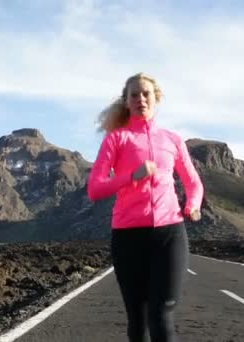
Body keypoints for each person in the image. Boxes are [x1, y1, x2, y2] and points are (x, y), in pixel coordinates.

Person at [87, 72, 204, 342]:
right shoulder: (116, 139)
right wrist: (132, 176)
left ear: (156, 98)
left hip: (169, 233)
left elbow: (193, 183)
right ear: (126, 102)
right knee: (138, 321)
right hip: (129, 237)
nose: (141, 99)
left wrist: (192, 206)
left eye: (146, 93)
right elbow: (95, 188)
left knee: (162, 314)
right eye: (134, 95)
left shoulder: (172, 139)